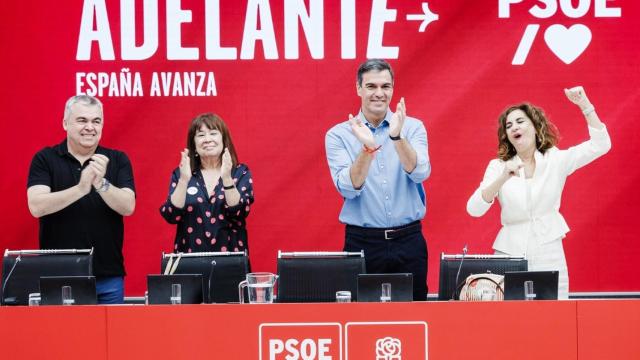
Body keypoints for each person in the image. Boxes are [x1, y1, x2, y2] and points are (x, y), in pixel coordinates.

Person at [466, 86, 611, 299]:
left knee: (555, 314)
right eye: (509, 125)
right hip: (510, 252)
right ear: (507, 136)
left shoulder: (556, 159)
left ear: (535, 127)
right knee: (511, 319)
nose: (514, 127)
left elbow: (601, 145)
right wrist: (503, 178)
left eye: (520, 121)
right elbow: (474, 209)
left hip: (549, 250)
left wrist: (585, 106)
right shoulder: (498, 166)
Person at [325, 59, 431, 300]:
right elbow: (349, 188)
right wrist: (367, 149)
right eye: (371, 86)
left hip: (409, 240)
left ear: (393, 89)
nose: (379, 93)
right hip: (362, 243)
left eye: (386, 86)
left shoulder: (412, 127)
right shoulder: (338, 134)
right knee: (359, 319)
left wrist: (396, 137)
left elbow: (420, 172)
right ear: (358, 89)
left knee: (414, 316)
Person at [27, 95, 136, 304]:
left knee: (110, 337)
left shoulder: (117, 159)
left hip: (108, 276)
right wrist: (81, 188)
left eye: (96, 121)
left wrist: (101, 183)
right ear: (65, 123)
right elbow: (36, 206)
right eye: (82, 120)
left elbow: (128, 206)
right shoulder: (45, 159)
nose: (90, 127)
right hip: (58, 275)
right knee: (63, 337)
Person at [160, 113, 254, 256]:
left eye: (213, 133)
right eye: (201, 135)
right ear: (194, 144)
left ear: (224, 140)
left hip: (231, 261)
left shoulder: (240, 172)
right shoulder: (181, 174)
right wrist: (184, 180)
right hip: (190, 260)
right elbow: (171, 215)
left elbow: (239, 212)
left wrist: (227, 178)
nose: (207, 139)